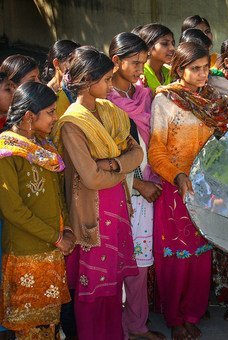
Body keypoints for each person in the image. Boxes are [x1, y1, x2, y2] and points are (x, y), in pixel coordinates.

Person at [148, 41, 228, 337]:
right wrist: (176, 176)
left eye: (205, 68)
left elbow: (223, 121)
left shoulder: (210, 98)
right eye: (195, 69)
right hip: (175, 188)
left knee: (200, 256)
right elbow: (156, 150)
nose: (203, 75)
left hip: (205, 186)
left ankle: (192, 313)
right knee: (177, 257)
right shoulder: (165, 100)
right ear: (180, 69)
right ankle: (175, 319)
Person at [51, 46, 143, 340]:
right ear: (89, 81)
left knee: (114, 286)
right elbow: (89, 177)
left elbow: (137, 153)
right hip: (91, 212)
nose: (110, 85)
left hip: (115, 207)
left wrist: (113, 162)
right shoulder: (72, 123)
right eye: (106, 80)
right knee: (93, 290)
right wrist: (119, 167)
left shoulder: (111, 112)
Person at [0, 82, 73, 338]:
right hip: (26, 254)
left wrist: (69, 231)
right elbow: (13, 210)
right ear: (30, 116)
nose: (56, 117)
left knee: (49, 323)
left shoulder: (46, 148)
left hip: (52, 249)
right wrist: (56, 238)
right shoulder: (7, 152)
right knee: (30, 327)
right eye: (51, 112)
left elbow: (57, 195)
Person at [106, 32, 165, 340]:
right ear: (116, 61)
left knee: (141, 264)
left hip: (149, 188)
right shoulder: (102, 102)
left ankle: (137, 326)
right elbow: (101, 157)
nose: (141, 69)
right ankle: (116, 328)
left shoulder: (144, 95)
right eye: (134, 63)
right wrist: (137, 183)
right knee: (116, 263)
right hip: (118, 191)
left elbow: (154, 139)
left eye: (143, 62)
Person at [42, 40, 81, 119]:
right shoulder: (46, 95)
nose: (77, 67)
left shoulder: (78, 86)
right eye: (71, 61)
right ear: (56, 63)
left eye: (78, 62)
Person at [138, 23, 176, 93]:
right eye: (165, 43)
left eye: (173, 43)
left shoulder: (170, 72)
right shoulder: (139, 74)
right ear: (148, 47)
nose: (172, 48)